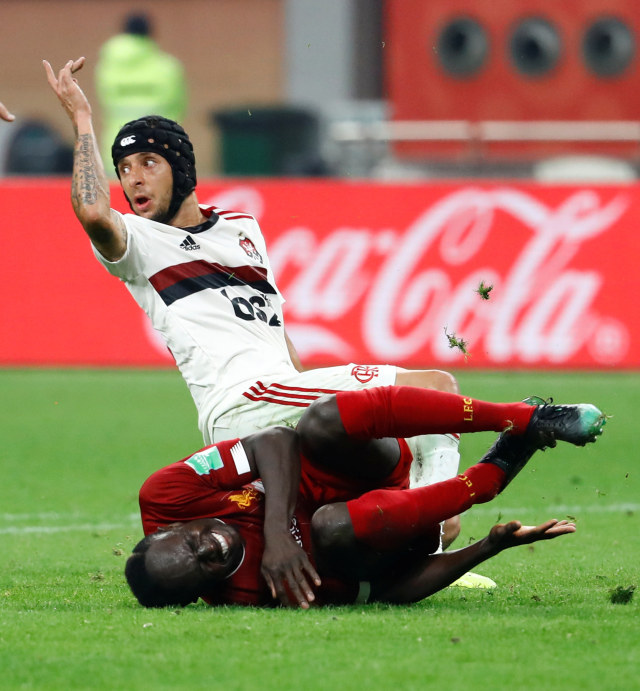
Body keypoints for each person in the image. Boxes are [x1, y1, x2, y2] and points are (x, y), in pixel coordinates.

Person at [124, 386, 606, 608]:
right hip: (375, 533)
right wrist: (486, 548)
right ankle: (485, 481)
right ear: (198, 595)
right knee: (329, 527)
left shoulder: (167, 496)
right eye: (202, 566)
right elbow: (387, 591)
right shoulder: (250, 593)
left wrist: (276, 535)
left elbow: (274, 440)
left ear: (171, 528)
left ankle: (519, 417)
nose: (209, 547)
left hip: (361, 468)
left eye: (192, 542)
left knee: (318, 421)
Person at [95, 13, 187, 169]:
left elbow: (104, 101)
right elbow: (179, 107)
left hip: (117, 146)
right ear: (150, 34)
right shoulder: (168, 68)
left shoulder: (108, 68)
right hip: (159, 148)